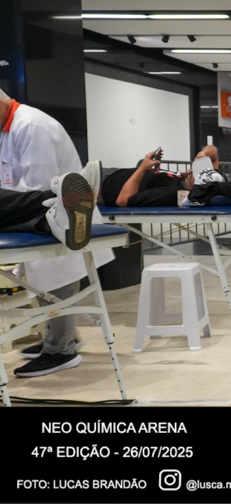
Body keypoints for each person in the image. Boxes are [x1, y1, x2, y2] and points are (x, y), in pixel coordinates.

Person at [0, 88, 112, 377]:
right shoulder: (8, 129)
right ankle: (62, 337)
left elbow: (38, 184)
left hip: (55, 211)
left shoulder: (31, 125)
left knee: (54, 278)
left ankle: (60, 350)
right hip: (47, 212)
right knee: (46, 280)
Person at [99, 145, 221, 207]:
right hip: (114, 172)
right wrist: (203, 153)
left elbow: (122, 201)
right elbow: (214, 152)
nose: (192, 168)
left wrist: (143, 167)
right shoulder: (207, 178)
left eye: (196, 170)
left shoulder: (169, 192)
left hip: (103, 186)